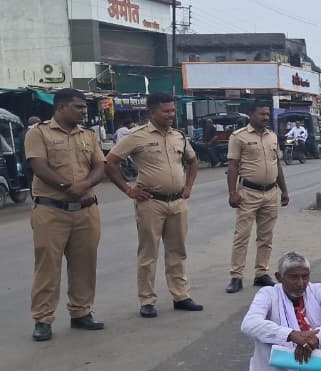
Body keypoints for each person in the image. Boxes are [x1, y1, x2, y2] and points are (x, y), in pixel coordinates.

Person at [103, 92, 203, 318]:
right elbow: (110, 163)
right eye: (166, 111)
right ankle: (147, 300)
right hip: (150, 203)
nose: (171, 114)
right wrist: (129, 190)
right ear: (152, 112)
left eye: (172, 110)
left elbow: (193, 161)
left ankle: (181, 295)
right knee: (148, 253)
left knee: (178, 251)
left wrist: (188, 186)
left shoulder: (179, 136)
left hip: (177, 202)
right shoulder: (136, 136)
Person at [24, 88, 106, 342]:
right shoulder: (39, 133)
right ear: (60, 107)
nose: (84, 111)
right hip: (51, 210)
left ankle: (81, 312)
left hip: (86, 211)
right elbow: (39, 166)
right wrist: (67, 187)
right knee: (48, 266)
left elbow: (100, 165)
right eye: (78, 107)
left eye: (84, 107)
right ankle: (43, 319)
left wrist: (85, 185)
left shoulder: (88, 135)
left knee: (85, 264)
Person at [225, 102, 289, 294]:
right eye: (262, 114)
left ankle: (261, 273)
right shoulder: (238, 137)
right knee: (242, 236)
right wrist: (232, 192)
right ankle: (236, 276)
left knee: (266, 237)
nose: (265, 117)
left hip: (270, 193)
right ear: (251, 114)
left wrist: (284, 191)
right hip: (248, 193)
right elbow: (233, 166)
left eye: (267, 114)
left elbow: (277, 165)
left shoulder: (272, 136)